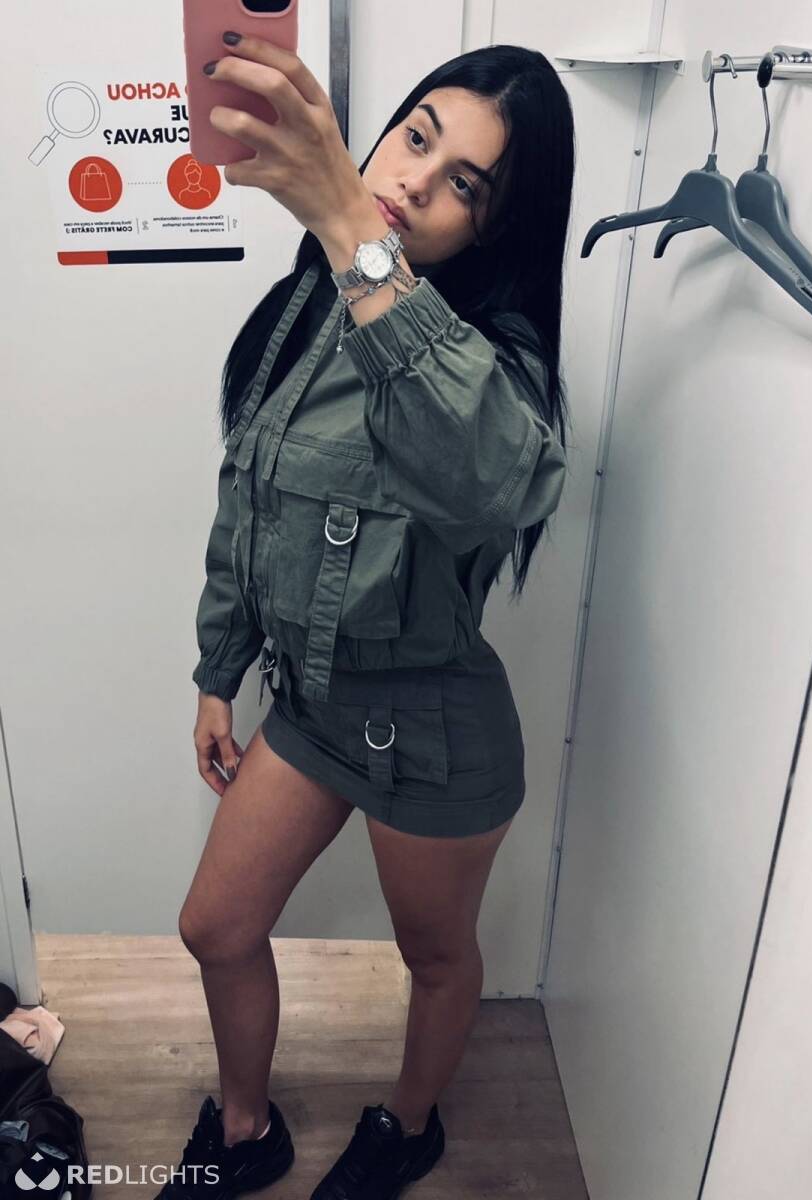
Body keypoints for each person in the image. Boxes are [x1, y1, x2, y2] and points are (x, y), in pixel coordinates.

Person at [158, 32, 575, 1200]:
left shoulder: (493, 365)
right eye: (416, 137)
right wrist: (218, 668)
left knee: (434, 957)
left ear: (495, 229)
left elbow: (495, 477)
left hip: (435, 730)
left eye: (464, 185)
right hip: (314, 707)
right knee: (215, 926)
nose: (414, 180)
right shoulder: (311, 310)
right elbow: (248, 498)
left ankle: (410, 1124)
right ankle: (247, 1131)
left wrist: (352, 223)